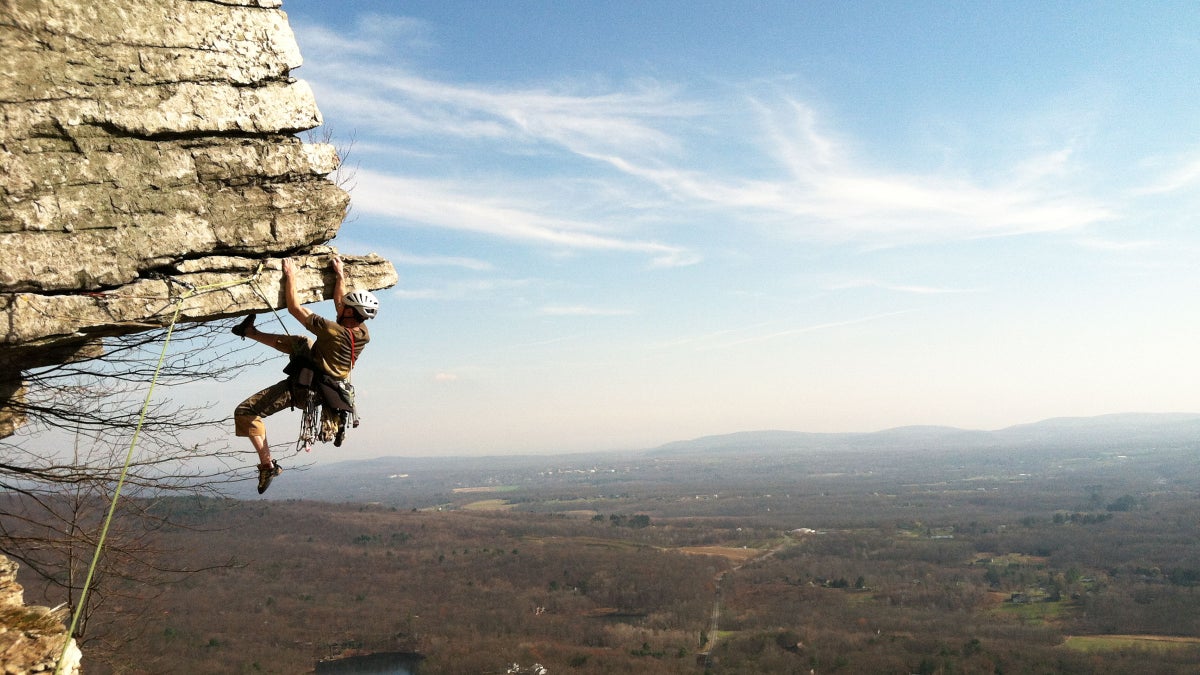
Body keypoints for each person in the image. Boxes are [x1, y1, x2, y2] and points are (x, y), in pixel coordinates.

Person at [231, 255, 379, 493]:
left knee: (245, 412)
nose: (341, 307)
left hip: (306, 390)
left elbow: (294, 308)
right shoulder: (362, 332)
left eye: (346, 308)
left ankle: (267, 465)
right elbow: (340, 302)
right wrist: (339, 274)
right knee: (302, 343)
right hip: (330, 385)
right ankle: (249, 331)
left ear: (351, 313)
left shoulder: (332, 331)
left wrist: (291, 276)